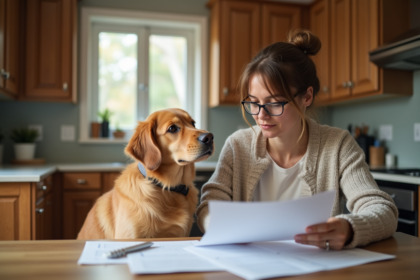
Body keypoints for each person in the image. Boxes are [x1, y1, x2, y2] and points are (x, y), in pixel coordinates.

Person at [196, 29, 398, 250]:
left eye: (274, 103)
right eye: (253, 102)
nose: (260, 115)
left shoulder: (338, 145)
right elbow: (209, 204)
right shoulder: (237, 145)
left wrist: (350, 227)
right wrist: (218, 224)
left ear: (307, 96)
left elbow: (382, 210)